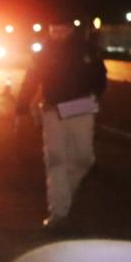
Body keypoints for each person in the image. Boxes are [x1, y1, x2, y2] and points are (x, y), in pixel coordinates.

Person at [16, 24, 107, 229]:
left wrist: (96, 93)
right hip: (52, 109)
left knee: (84, 159)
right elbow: (32, 78)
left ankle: (64, 194)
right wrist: (22, 104)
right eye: (54, 29)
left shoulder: (86, 49)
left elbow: (100, 74)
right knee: (55, 160)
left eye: (62, 29)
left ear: (70, 30)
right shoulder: (44, 52)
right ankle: (58, 212)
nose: (58, 34)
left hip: (80, 107)